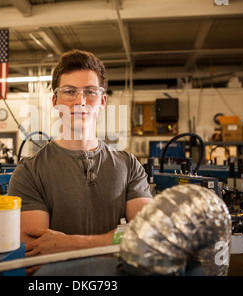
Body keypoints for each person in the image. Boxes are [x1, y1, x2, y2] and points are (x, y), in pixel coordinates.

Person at [8, 49, 153, 259]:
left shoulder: (129, 166)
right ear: (55, 101)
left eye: (90, 91)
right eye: (69, 91)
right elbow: (36, 256)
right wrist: (116, 242)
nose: (80, 101)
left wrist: (69, 243)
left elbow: (150, 238)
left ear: (103, 101)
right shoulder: (30, 172)